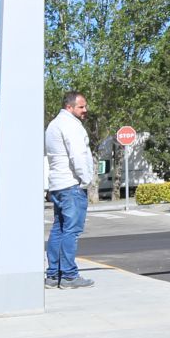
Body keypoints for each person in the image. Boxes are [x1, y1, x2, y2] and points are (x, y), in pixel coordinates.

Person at [45, 90, 95, 289]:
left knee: (59, 229)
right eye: (81, 107)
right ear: (69, 107)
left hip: (57, 185)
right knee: (71, 231)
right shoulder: (71, 125)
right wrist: (86, 180)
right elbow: (78, 156)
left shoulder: (53, 124)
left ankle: (53, 275)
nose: (85, 110)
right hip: (71, 185)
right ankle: (68, 276)